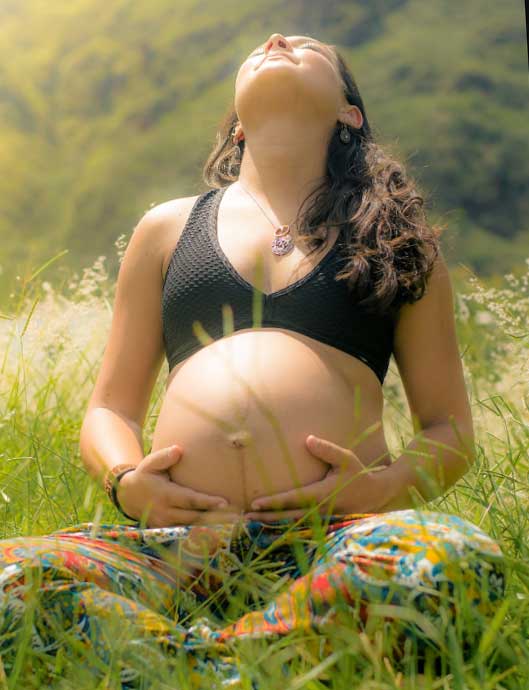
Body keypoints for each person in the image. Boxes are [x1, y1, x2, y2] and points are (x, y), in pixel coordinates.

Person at [0, 32, 506, 688]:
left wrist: (377, 490)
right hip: (178, 549)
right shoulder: (168, 228)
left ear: (348, 115)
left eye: (310, 49)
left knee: (453, 561)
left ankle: (175, 662)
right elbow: (108, 409)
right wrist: (128, 483)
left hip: (335, 541)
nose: (277, 39)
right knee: (11, 580)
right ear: (237, 125)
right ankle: (263, 659)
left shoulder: (396, 241)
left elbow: (448, 428)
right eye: (268, 46)